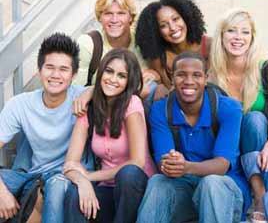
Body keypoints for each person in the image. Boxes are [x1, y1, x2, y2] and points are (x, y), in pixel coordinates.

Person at [137, 52, 250, 223]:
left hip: (224, 192)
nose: (189, 81)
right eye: (181, 75)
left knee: (211, 183)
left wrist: (186, 167)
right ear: (172, 78)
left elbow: (221, 166)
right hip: (186, 189)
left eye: (196, 75)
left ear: (206, 79)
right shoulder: (161, 110)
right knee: (158, 182)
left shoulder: (228, 108)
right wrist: (171, 163)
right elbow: (163, 163)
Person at [209, 8, 268, 223]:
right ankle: (260, 195)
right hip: (232, 154)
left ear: (253, 38)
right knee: (249, 122)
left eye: (245, 32)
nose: (238, 38)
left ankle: (264, 203)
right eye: (231, 31)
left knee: (257, 124)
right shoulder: (213, 75)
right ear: (221, 36)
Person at [0, 33, 93, 223]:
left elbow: (124, 88)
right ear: (39, 70)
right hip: (32, 177)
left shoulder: (82, 98)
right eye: (49, 67)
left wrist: (91, 90)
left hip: (66, 178)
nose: (56, 75)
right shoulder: (20, 104)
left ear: (74, 74)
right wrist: (2, 193)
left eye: (64, 69)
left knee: (55, 185)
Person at [64, 48, 156, 223]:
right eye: (109, 71)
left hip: (137, 189)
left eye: (122, 76)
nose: (113, 79)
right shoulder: (89, 108)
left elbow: (137, 162)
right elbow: (70, 162)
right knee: (75, 194)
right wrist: (82, 182)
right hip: (107, 188)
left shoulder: (132, 104)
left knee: (128, 173)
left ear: (129, 81)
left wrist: (89, 177)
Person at [73, 0, 158, 98]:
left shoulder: (142, 40)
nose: (114, 19)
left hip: (135, 104)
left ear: (130, 17)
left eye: (121, 13)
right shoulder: (88, 43)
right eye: (108, 13)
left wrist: (153, 75)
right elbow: (75, 90)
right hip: (98, 104)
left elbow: (161, 74)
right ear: (100, 17)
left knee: (152, 87)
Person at [135, 0, 211, 91]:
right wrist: (158, 81)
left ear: (186, 18)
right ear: (157, 31)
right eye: (163, 25)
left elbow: (213, 85)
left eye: (175, 19)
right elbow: (169, 90)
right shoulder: (159, 56)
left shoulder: (209, 45)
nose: (173, 28)